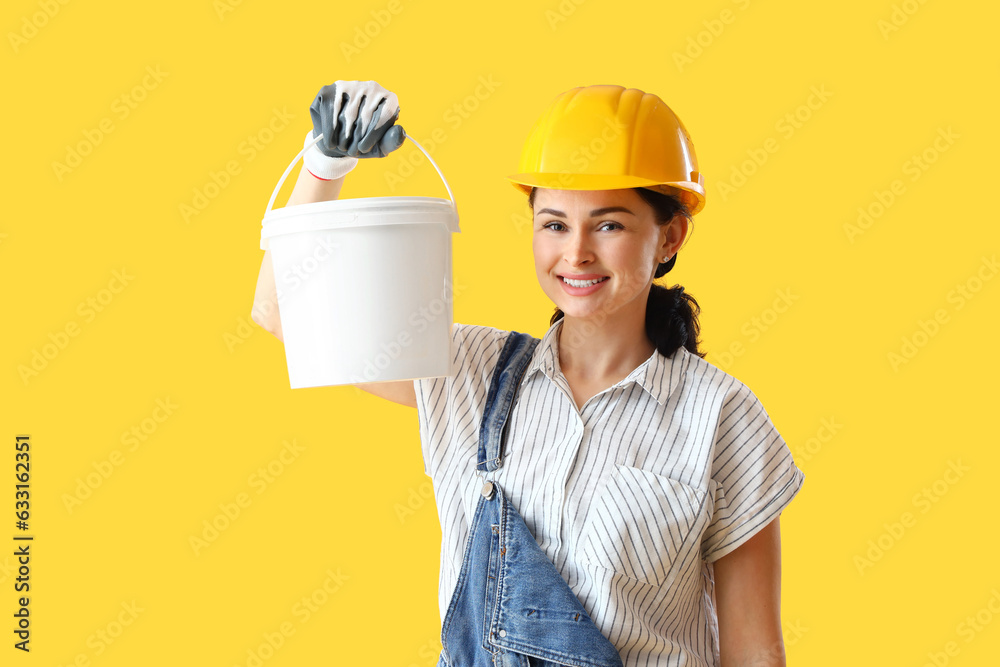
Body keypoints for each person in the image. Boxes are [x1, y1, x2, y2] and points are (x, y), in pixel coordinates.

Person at [252, 80, 805, 667]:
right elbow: (283, 312)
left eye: (609, 225)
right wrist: (325, 164)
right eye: (554, 224)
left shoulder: (722, 416)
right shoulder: (467, 372)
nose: (576, 253)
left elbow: (754, 653)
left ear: (669, 236)